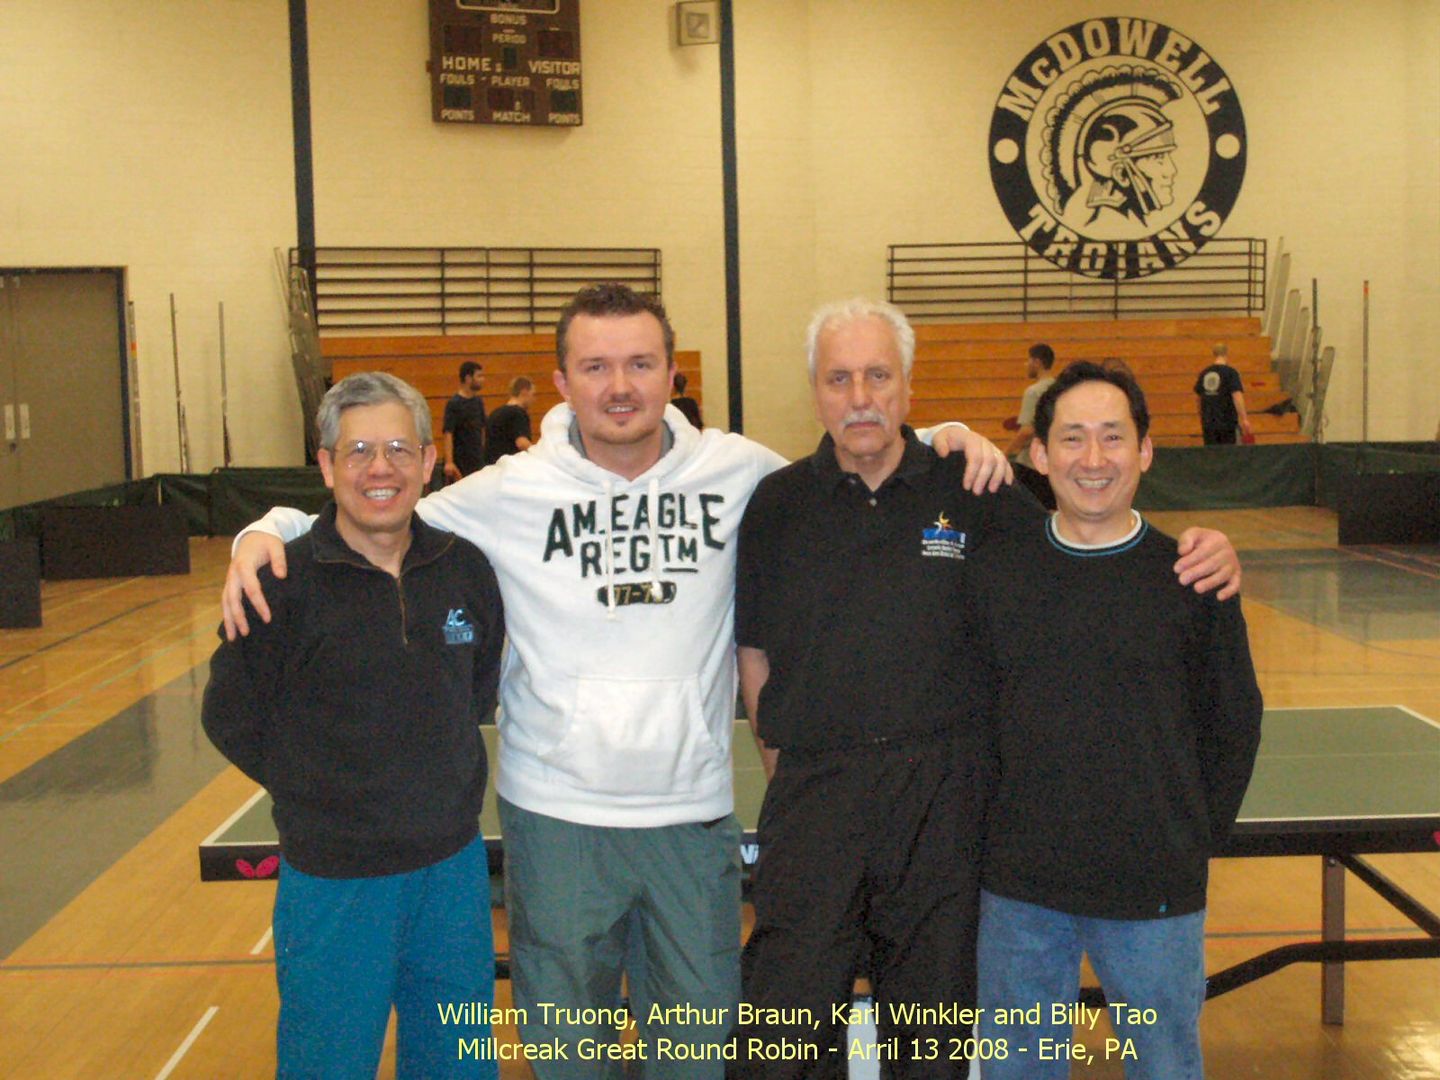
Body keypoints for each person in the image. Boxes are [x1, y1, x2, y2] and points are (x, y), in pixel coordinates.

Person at [218, 283, 1021, 1079]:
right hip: (557, 824)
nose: (620, 386)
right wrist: (265, 529)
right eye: (595, 367)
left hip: (692, 821)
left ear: (672, 374)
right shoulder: (508, 490)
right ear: (562, 382)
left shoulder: (739, 473)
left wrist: (943, 437)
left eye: (640, 363)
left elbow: (858, 460)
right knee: (571, 1062)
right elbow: (377, 506)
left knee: (699, 1063)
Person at [728, 304, 1244, 1079]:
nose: (860, 397)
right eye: (839, 379)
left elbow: (1085, 539)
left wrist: (1207, 551)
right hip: (815, 802)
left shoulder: (974, 486)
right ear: (815, 390)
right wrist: (789, 777)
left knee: (932, 1042)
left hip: (942, 809)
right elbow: (755, 652)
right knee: (785, 1042)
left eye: (879, 375)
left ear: (908, 386)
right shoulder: (776, 504)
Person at [965, 361, 1264, 1080]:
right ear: (1040, 456)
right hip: (1019, 893)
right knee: (1018, 1069)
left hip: (1153, 893)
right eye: (1072, 439)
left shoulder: (1194, 576)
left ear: (1145, 451)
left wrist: (1187, 838)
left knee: (1164, 1066)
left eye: (1113, 437)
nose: (1093, 459)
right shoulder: (994, 573)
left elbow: (1233, 722)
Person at [202, 372, 506, 1079]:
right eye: (359, 450)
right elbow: (229, 714)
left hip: (451, 874)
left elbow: (476, 688)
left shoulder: (465, 569)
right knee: (327, 1066)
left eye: (398, 449)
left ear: (428, 461)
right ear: (326, 465)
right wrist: (320, 789)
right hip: (333, 883)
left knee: (458, 1066)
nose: (380, 469)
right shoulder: (280, 583)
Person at [1004, 342, 1057, 509]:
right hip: (1054, 460)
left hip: (1031, 465)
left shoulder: (1033, 392)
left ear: (1037, 362)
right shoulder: (1059, 388)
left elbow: (1027, 431)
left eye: (1028, 360)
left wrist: (1006, 452)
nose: (1026, 364)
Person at [1194, 343, 1252, 445]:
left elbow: (1198, 398)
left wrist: (1202, 415)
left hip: (1208, 422)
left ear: (1214, 354)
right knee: (1227, 452)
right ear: (1226, 354)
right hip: (1227, 421)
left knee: (1211, 452)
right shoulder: (1231, 373)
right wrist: (1244, 419)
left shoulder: (1204, 373)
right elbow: (1237, 396)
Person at [444, 360, 488, 478]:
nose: (482, 379)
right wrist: (449, 462)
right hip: (460, 460)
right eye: (479, 376)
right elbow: (448, 433)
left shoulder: (478, 402)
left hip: (477, 459)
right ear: (468, 378)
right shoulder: (454, 403)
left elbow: (482, 429)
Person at [483, 376, 535, 463]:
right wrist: (537, 454)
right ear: (524, 392)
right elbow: (522, 443)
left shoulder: (495, 413)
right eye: (532, 394)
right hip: (509, 465)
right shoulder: (518, 413)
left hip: (492, 465)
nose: (533, 399)